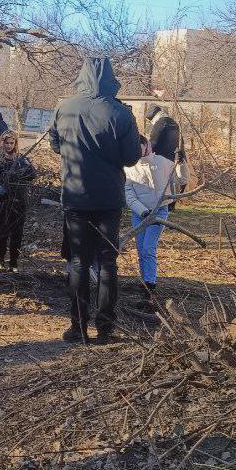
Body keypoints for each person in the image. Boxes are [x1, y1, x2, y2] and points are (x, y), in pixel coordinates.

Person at [49, 57, 142, 344]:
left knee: (78, 262)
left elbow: (55, 145)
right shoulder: (122, 114)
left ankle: (77, 327)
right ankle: (105, 328)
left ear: (82, 76)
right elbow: (130, 157)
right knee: (106, 263)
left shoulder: (63, 107)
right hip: (108, 199)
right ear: (111, 79)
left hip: (76, 197)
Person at [124, 134, 177, 312]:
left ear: (147, 146)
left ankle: (150, 287)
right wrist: (142, 211)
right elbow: (129, 195)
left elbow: (182, 178)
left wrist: (183, 163)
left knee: (148, 247)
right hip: (140, 214)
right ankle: (145, 282)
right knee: (140, 248)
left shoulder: (162, 162)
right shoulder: (128, 168)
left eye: (141, 146)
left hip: (159, 211)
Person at [0, 129, 36, 273]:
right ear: (2, 143)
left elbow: (32, 174)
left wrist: (18, 172)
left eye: (12, 143)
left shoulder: (21, 158)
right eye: (7, 143)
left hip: (20, 201)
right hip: (3, 201)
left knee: (17, 233)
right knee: (2, 232)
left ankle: (13, 263)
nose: (9, 146)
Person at [146, 103, 187, 205]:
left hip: (161, 157)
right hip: (174, 157)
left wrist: (146, 155)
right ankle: (172, 203)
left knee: (163, 183)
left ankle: (165, 203)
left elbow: (154, 143)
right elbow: (181, 142)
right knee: (173, 182)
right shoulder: (174, 123)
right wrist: (181, 156)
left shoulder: (160, 124)